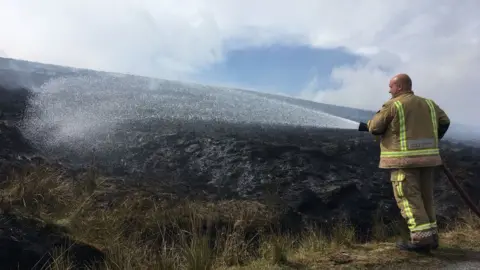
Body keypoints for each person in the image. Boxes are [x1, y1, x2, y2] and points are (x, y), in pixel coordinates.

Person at [358, 73, 450, 252]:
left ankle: (421, 241)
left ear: (399, 87)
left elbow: (376, 127)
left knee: (408, 199)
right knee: (426, 199)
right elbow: (445, 122)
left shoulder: (394, 104)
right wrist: (434, 138)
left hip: (404, 161)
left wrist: (367, 125)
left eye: (391, 86)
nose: (389, 90)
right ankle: (432, 238)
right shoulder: (429, 104)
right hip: (428, 161)